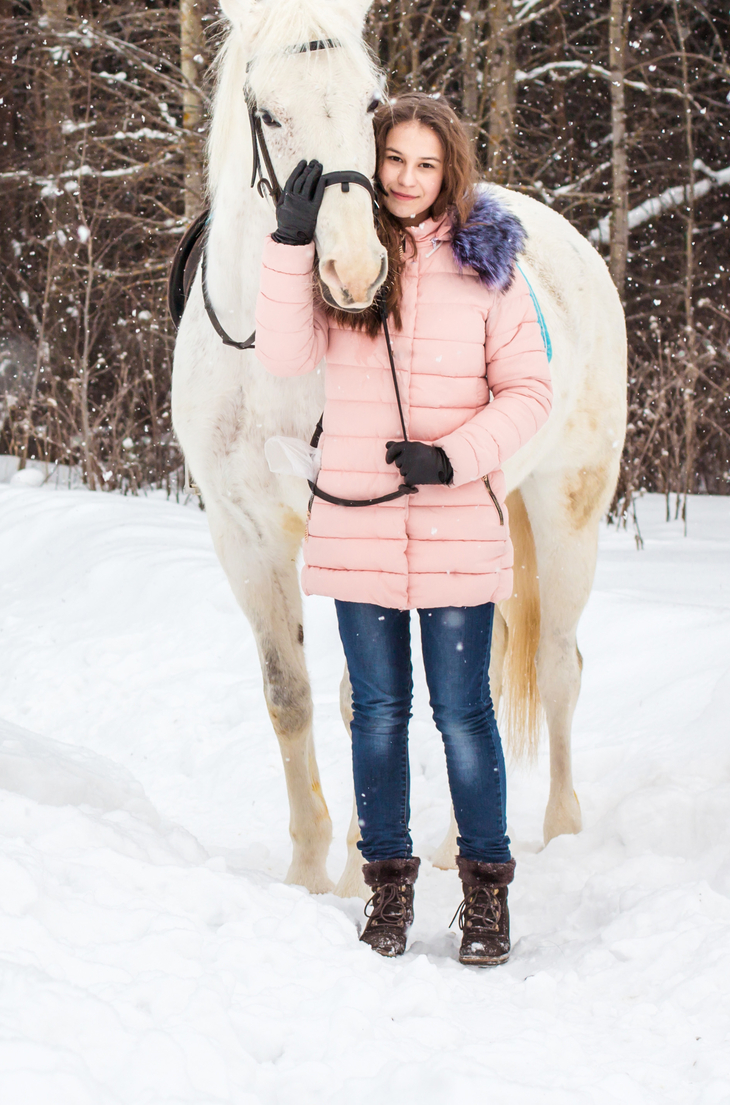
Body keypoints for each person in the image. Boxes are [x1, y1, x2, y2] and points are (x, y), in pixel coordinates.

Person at [255, 94, 553, 965]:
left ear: (448, 170)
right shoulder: (350, 262)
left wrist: (454, 457)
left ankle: (486, 896)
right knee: (378, 716)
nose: (409, 179)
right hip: (360, 531)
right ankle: (387, 890)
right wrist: (289, 244)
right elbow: (284, 355)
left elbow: (530, 393)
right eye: (395, 161)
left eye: (426, 164)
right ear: (373, 161)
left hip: (457, 522)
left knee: (464, 715)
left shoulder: (488, 268)